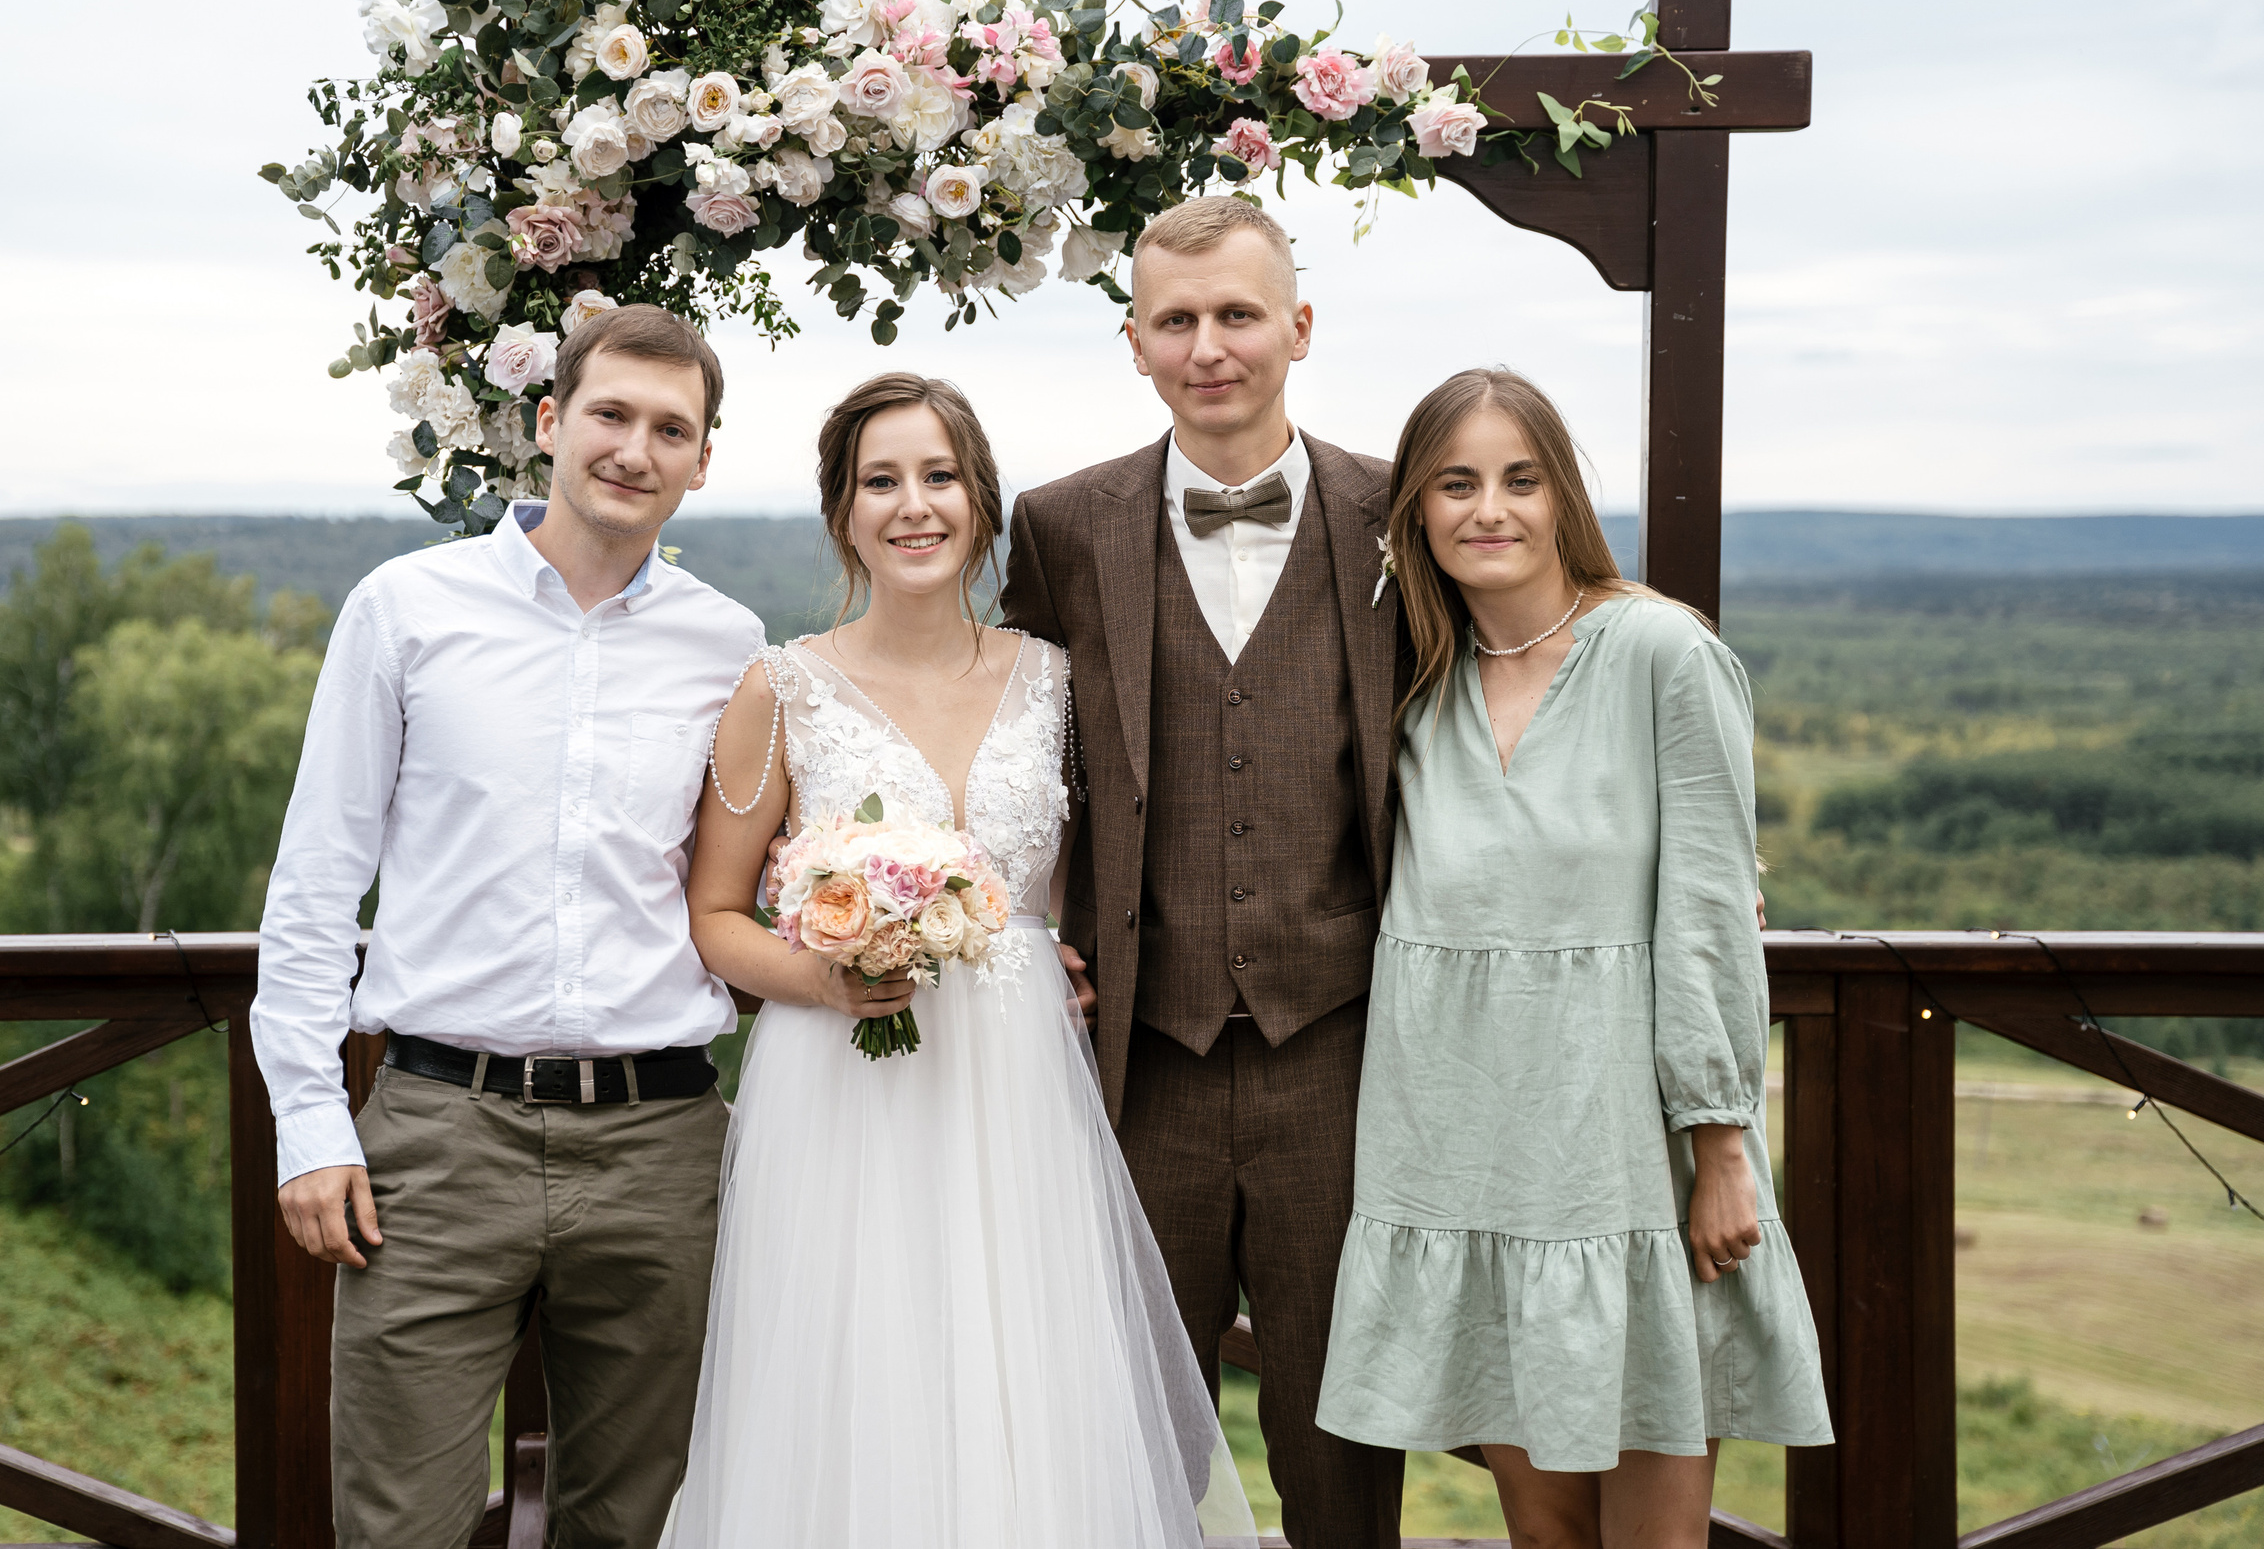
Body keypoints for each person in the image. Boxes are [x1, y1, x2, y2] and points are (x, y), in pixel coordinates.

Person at [670, 372, 1254, 1549]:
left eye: (938, 476)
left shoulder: (1056, 681)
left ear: (981, 503)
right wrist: (825, 975)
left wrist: (1066, 953)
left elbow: (1088, 875)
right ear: (842, 513)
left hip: (1016, 1082)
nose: (912, 505)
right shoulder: (778, 692)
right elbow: (717, 917)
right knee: (853, 1369)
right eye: (880, 481)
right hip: (839, 1086)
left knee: (1026, 1373)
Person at [251, 306, 765, 1549]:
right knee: (396, 1521)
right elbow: (319, 881)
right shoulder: (406, 607)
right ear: (549, 423)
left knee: (638, 1522)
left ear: (702, 460)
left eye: (669, 429)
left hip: (661, 1148)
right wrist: (309, 1121)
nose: (634, 450)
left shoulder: (733, 647)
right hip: (436, 1135)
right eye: (609, 415)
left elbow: (748, 889)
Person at [1314, 367, 1832, 1547]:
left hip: (1623, 1160)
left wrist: (1720, 1149)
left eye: (1517, 479)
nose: (1486, 509)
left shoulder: (1661, 654)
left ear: (1561, 498)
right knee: (1544, 1534)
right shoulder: (1411, 687)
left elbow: (1707, 911)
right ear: (1415, 516)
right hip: (1465, 1160)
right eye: (1454, 484)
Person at [997, 194, 1409, 1547]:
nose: (1209, 345)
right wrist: (1001, 920)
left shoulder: (1394, 508)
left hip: (1340, 1053)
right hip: (1137, 1057)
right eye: (1177, 320)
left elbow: (1528, 670)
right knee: (1123, 1435)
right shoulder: (1061, 526)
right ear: (1134, 342)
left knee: (1342, 1440)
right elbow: (1006, 740)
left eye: (1237, 313)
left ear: (1299, 324)